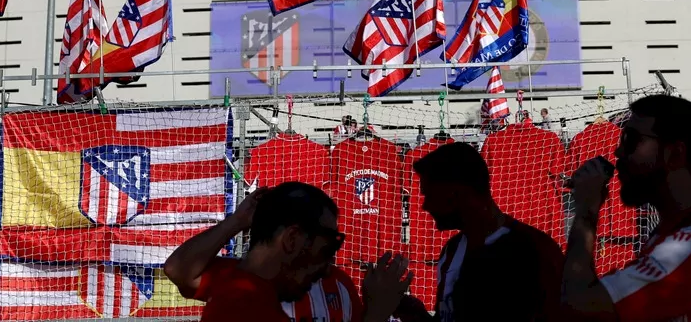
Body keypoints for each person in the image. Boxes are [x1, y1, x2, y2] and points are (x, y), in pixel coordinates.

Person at [564, 94, 691, 321]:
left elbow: (576, 308)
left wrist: (586, 212)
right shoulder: (679, 234)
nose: (618, 152)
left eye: (631, 139)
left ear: (675, 153)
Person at [164, 182, 410, 322]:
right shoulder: (240, 295)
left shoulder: (339, 284)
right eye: (327, 247)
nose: (328, 266)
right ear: (292, 239)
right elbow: (177, 269)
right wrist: (236, 221)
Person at [393, 141, 563, 322]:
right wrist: (416, 314)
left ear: (454, 195)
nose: (425, 206)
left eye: (429, 195)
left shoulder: (537, 251)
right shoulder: (451, 250)